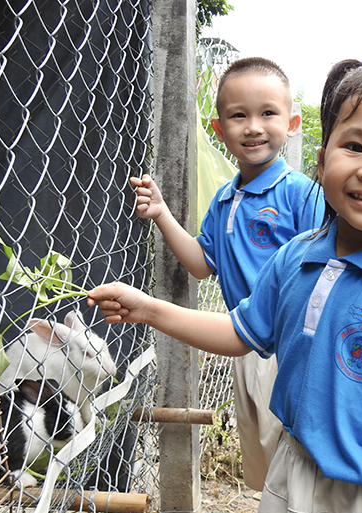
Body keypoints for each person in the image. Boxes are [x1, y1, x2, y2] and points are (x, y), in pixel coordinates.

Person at [89, 57, 362, 513]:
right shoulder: (297, 255)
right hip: (292, 472)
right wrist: (148, 309)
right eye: (356, 145)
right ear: (323, 162)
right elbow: (240, 333)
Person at [128, 57, 325, 490]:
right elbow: (200, 264)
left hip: (289, 344)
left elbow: (323, 270)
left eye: (268, 113)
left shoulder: (302, 194)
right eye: (239, 116)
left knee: (296, 451)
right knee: (261, 450)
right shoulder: (223, 199)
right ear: (220, 130)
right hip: (243, 342)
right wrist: (161, 212)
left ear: (291, 123)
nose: (254, 126)